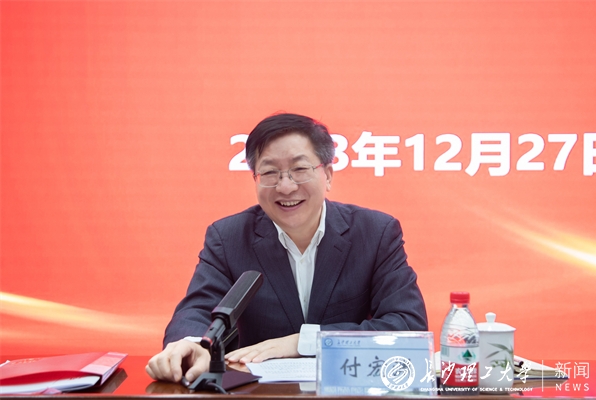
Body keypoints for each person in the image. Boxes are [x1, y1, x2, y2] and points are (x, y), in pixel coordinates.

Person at [145, 113, 428, 383]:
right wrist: (192, 345)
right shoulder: (228, 238)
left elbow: (408, 325)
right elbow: (196, 311)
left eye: (299, 169)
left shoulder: (375, 232)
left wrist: (303, 342)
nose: (285, 186)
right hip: (257, 394)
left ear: (328, 175)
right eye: (270, 172)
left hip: (346, 389)